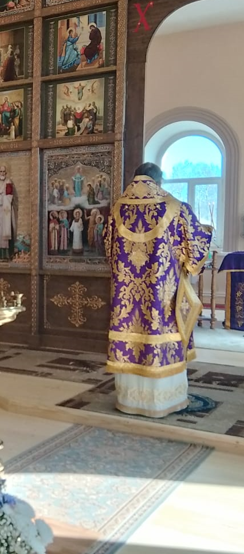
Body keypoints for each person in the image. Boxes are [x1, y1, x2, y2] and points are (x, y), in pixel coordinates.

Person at [104, 163, 213, 418]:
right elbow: (195, 248)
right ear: (158, 180)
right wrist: (208, 232)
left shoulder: (117, 208)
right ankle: (164, 401)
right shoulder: (175, 207)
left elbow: (108, 250)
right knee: (163, 333)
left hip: (126, 298)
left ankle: (129, 400)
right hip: (162, 298)